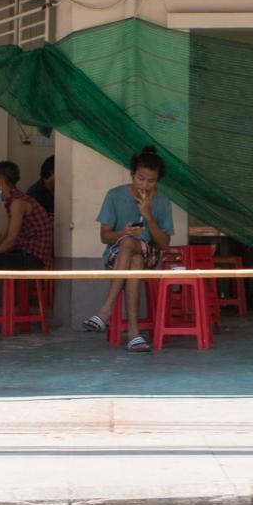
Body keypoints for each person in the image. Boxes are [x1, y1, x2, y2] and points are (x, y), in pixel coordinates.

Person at [82, 146, 174, 353]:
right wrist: (124, 232)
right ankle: (134, 333)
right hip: (117, 257)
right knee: (132, 254)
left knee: (131, 246)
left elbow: (164, 244)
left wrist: (148, 216)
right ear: (132, 174)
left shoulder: (162, 202)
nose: (146, 185)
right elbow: (104, 236)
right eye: (141, 179)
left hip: (149, 255)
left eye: (152, 181)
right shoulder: (115, 195)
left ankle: (105, 311)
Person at [0, 161, 54, 335]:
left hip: (33, 259)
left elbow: (11, 240)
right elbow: (0, 238)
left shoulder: (18, 203)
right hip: (21, 255)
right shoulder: (11, 202)